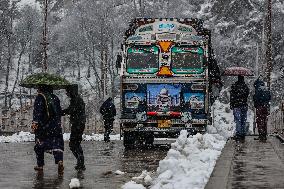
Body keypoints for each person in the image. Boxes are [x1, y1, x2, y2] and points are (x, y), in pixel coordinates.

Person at [32, 85, 64, 176]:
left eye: (38, 88)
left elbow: (37, 111)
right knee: (56, 145)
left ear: (42, 88)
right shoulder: (55, 98)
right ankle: (60, 161)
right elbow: (59, 112)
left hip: (44, 126)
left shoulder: (40, 97)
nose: (37, 89)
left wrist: (35, 122)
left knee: (39, 145)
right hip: (55, 126)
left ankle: (40, 165)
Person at [62, 84, 86, 170]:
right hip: (79, 123)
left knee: (73, 144)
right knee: (75, 143)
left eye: (67, 92)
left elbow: (71, 110)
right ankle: (80, 162)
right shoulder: (77, 99)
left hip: (77, 124)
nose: (66, 93)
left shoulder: (76, 100)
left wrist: (60, 112)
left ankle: (80, 162)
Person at [230, 76, 250, 142]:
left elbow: (232, 96)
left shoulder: (234, 86)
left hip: (236, 106)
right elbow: (247, 95)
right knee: (243, 120)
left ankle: (238, 135)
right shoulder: (245, 87)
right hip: (244, 105)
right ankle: (243, 134)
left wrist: (232, 104)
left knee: (238, 120)